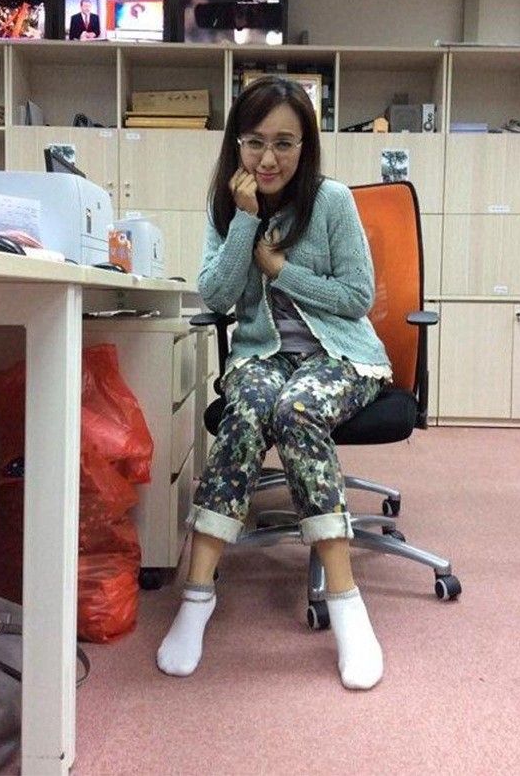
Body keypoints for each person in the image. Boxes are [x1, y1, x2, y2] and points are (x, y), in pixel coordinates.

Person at [157, 75, 392, 690]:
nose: (268, 158)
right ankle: (197, 595)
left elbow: (357, 297)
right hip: (262, 357)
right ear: (236, 142)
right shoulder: (227, 206)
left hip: (339, 357)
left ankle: (345, 601)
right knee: (245, 411)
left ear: (304, 146)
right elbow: (216, 295)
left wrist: (281, 270)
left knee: (295, 410)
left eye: (284, 143)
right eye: (255, 141)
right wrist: (244, 223)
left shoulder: (332, 201)